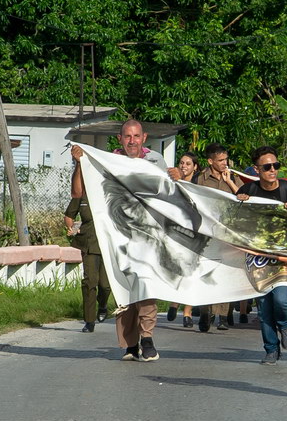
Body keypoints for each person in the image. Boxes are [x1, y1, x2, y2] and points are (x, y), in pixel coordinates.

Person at [71, 119, 173, 362]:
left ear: (144, 138)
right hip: (118, 237)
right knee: (124, 289)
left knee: (146, 286)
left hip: (148, 236)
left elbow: (167, 194)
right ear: (120, 139)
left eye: (136, 136)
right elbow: (77, 193)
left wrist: (176, 178)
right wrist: (80, 164)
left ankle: (146, 338)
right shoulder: (107, 162)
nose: (132, 141)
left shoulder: (155, 161)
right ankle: (129, 344)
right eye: (127, 136)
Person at [236, 146, 287, 364]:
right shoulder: (249, 190)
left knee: (282, 300)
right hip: (258, 258)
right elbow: (232, 217)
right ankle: (271, 349)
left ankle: (285, 325)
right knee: (264, 306)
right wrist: (239, 201)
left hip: (283, 256)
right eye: (267, 167)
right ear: (257, 170)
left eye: (276, 165)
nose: (273, 170)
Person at [195, 143, 242, 332]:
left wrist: (230, 181)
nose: (225, 163)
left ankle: (223, 315)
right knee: (205, 272)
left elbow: (243, 197)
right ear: (210, 161)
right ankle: (206, 311)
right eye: (221, 160)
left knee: (225, 272)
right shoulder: (201, 179)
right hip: (206, 232)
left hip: (227, 233)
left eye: (226, 159)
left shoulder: (234, 177)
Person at [64, 193, 110, 333]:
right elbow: (69, 215)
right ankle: (89, 321)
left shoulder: (110, 191)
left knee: (105, 285)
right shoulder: (82, 196)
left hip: (108, 245)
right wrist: (72, 229)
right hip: (89, 243)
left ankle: (102, 305)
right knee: (90, 281)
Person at [167, 151, 200, 327]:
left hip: (195, 233)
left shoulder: (199, 186)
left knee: (191, 271)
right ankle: (174, 301)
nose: (184, 166)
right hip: (176, 230)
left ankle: (187, 312)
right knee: (178, 268)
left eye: (188, 164)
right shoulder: (173, 184)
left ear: (195, 167)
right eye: (182, 163)